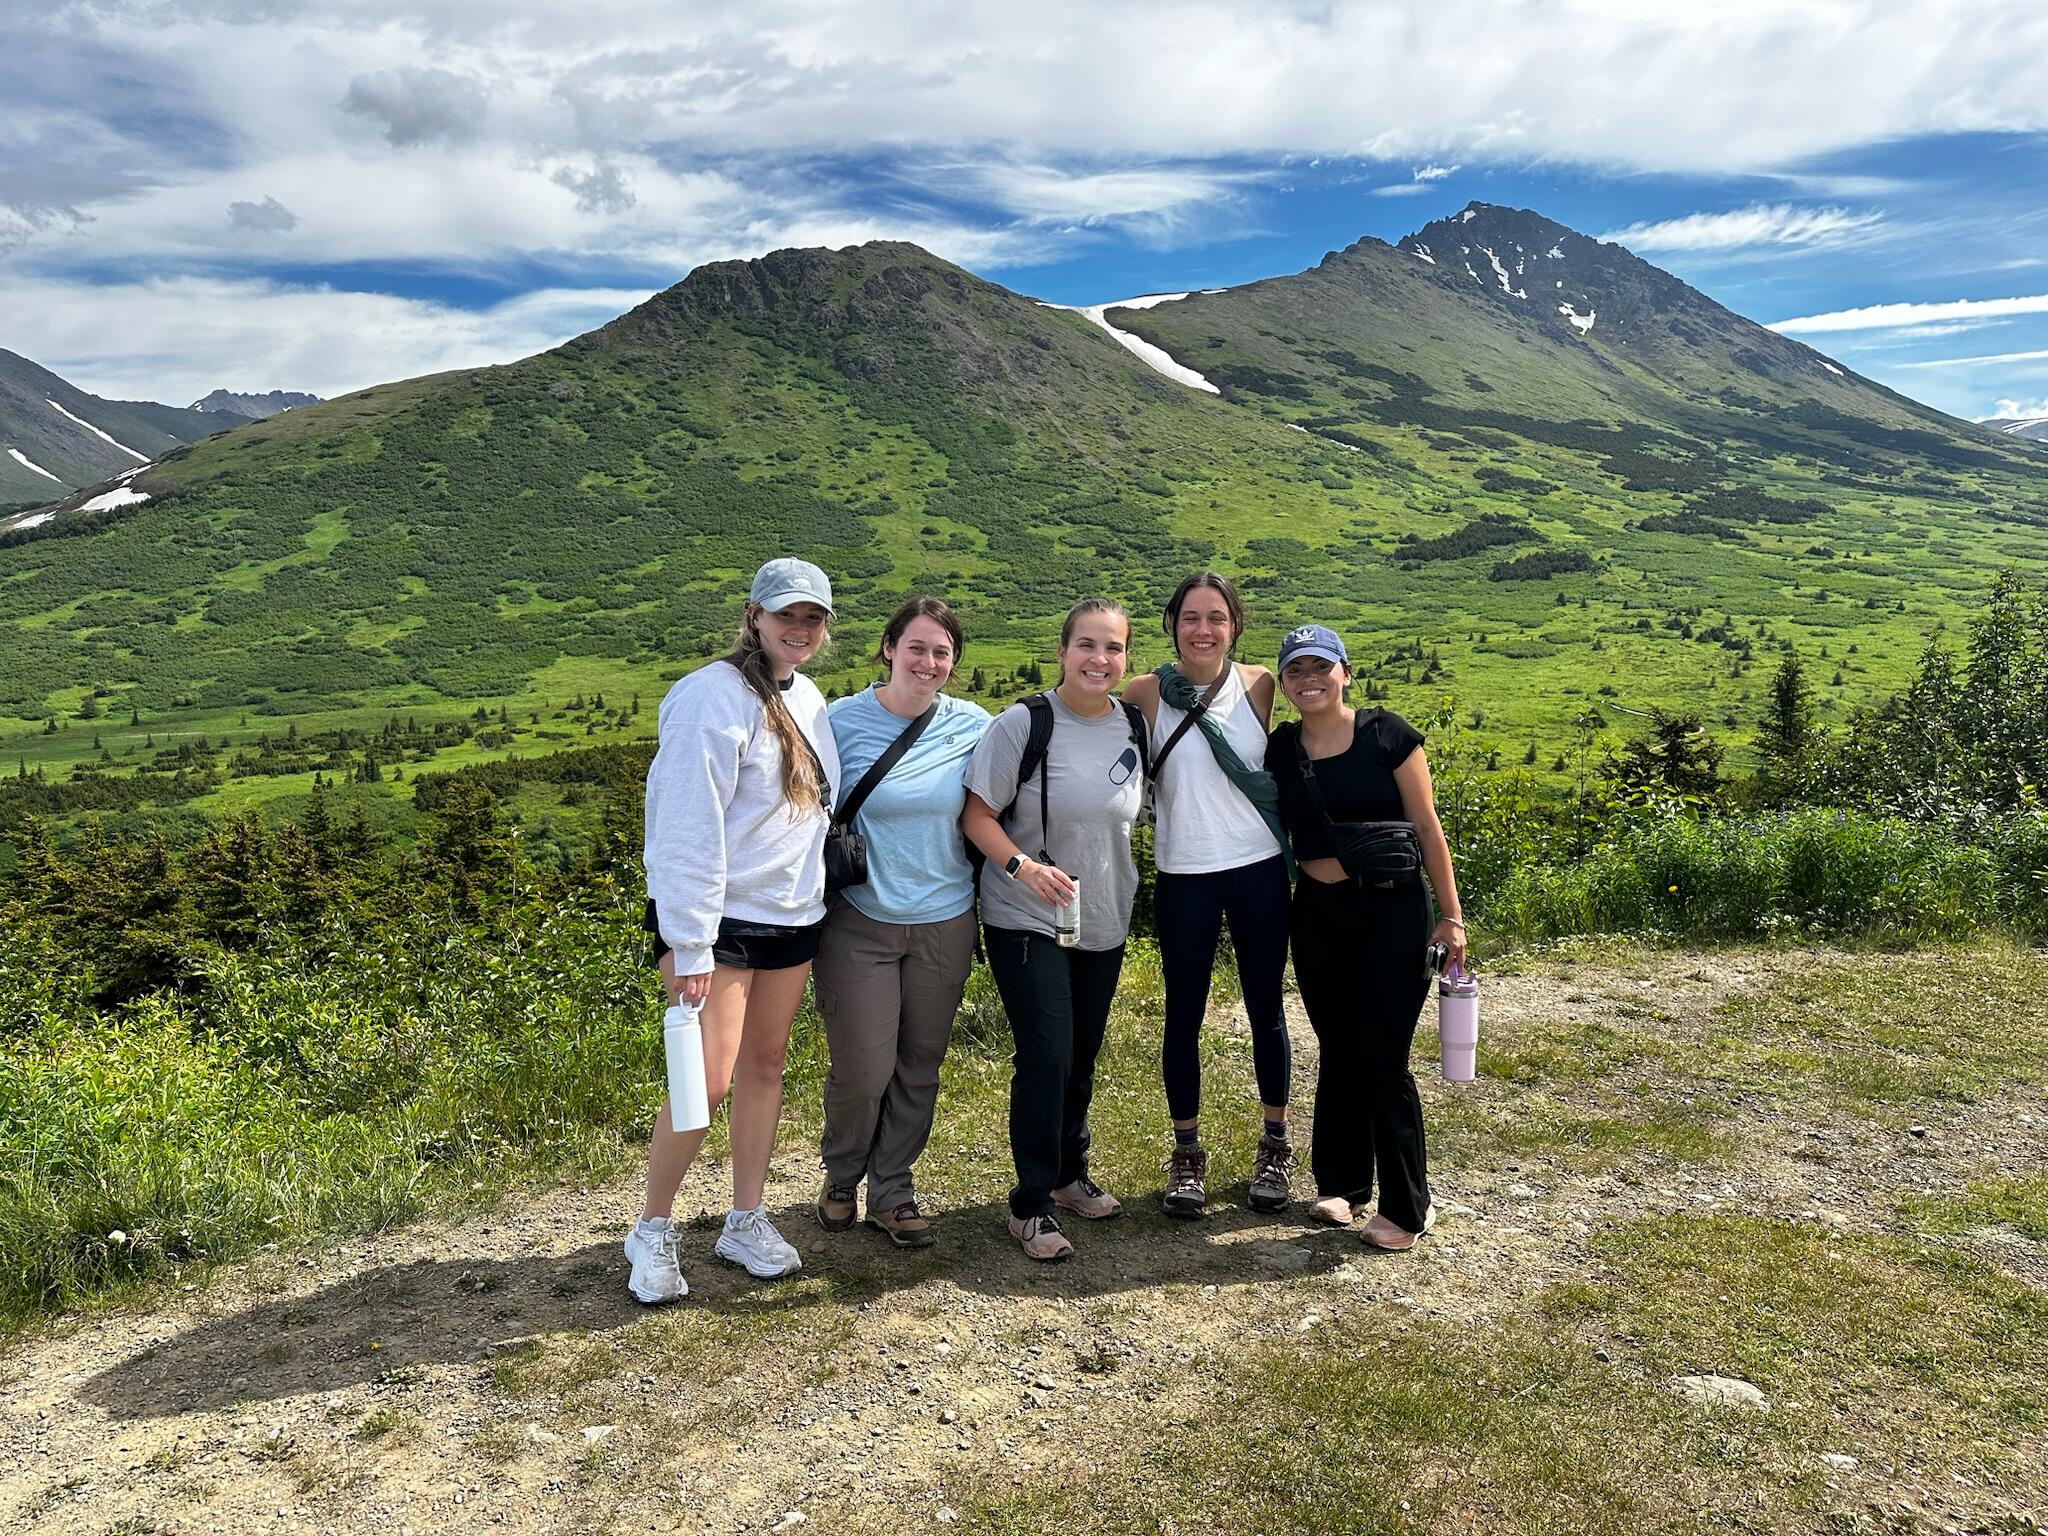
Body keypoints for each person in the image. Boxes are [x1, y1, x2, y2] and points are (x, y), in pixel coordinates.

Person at [624, 557, 840, 1303]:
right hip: (715, 924)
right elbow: (684, 827)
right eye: (787, 615)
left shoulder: (808, 698)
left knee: (766, 1066)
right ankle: (652, 1229)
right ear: (753, 614)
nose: (800, 629)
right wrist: (688, 941)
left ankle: (744, 1217)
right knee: (703, 1080)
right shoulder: (707, 698)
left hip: (790, 915)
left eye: (813, 618)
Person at [1266, 624, 1467, 1252]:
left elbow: (1427, 827)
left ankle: (1409, 1206)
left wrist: (1451, 916)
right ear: (1285, 683)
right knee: (1338, 1046)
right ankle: (1344, 1182)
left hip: (1391, 911)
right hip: (1319, 913)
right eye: (1295, 671)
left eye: (1322, 667)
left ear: (1346, 672)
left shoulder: (1388, 735)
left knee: (1383, 1055)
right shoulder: (1280, 749)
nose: (1309, 680)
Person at [962, 598, 1147, 1262]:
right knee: (1046, 1055)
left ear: (1127, 659)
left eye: (1114, 648)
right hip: (1024, 917)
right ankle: (1031, 1204)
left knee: (1081, 1054)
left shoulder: (1133, 724)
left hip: (1102, 917)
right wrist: (1021, 866)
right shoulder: (1024, 723)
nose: (1100, 659)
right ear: (1063, 650)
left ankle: (1070, 1175)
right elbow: (976, 815)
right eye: (1087, 646)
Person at [814, 597, 992, 1249]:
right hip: (860, 923)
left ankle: (893, 1189)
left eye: (942, 652)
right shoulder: (838, 723)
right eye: (916, 647)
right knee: (863, 1069)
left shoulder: (974, 725)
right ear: (888, 649)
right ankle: (841, 1176)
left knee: (920, 1064)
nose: (929, 662)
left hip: (945, 920)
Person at [1123, 573, 1296, 1219]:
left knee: (1265, 1009)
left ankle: (1275, 1143)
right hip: (1184, 872)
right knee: (1183, 1015)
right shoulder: (1144, 692)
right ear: (1172, 623)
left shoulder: (1259, 685)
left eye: (1216, 618)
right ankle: (1187, 1155)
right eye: (1191, 617)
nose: (1203, 629)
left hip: (1256, 867)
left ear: (1234, 625)